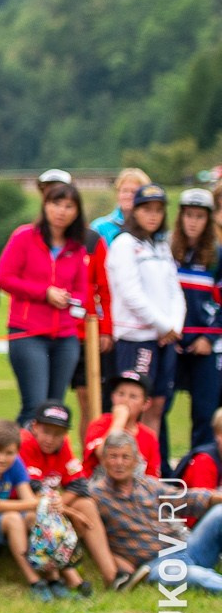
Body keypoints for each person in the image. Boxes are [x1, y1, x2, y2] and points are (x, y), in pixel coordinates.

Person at [0, 180, 98, 424]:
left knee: (55, 410)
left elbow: (83, 292)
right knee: (34, 407)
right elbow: (4, 278)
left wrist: (69, 300)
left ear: (77, 212)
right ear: (45, 206)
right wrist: (45, 293)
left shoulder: (77, 247)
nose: (61, 211)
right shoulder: (24, 237)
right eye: (56, 203)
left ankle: (49, 462)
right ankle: (21, 461)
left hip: (65, 336)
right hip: (28, 332)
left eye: (68, 206)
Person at [87, 430, 220, 593]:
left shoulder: (148, 484)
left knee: (219, 512)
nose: (119, 463)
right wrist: (116, 562)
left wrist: (217, 498)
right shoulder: (95, 496)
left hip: (186, 548)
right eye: (113, 457)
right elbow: (88, 536)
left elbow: (184, 498)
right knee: (198, 576)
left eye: (125, 457)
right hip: (155, 564)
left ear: (136, 461)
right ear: (104, 461)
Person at [106, 183, 183, 453]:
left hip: (165, 339)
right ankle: (124, 467)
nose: (153, 215)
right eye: (147, 209)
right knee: (131, 407)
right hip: (136, 337)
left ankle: (150, 470)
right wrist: (164, 325)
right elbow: (130, 293)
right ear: (135, 211)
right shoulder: (124, 244)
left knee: (157, 405)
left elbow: (175, 288)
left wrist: (175, 326)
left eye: (159, 210)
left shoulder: (161, 245)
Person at [0, 419, 84, 599]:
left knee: (34, 516)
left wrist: (45, 505)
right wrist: (41, 502)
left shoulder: (15, 463)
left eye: (9, 453)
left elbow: (29, 500)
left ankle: (54, 578)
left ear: (16, 452)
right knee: (15, 518)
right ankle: (35, 582)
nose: (2, 458)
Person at [19, 401, 119, 586]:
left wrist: (60, 504)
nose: (51, 439)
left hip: (51, 503)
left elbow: (80, 485)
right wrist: (58, 505)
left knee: (86, 505)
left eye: (57, 434)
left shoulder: (63, 444)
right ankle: (63, 578)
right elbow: (32, 488)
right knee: (44, 515)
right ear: (34, 427)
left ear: (65, 434)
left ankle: (111, 575)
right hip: (25, 507)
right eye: (46, 432)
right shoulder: (25, 442)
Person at [169, 188, 221, 457]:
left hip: (204, 344)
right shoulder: (167, 250)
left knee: (204, 410)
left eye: (199, 216)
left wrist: (209, 338)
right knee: (160, 405)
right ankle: (164, 471)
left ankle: (199, 467)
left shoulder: (217, 255)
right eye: (188, 215)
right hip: (171, 341)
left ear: (208, 219)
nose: (193, 222)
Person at [83, 372, 163, 477]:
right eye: (121, 394)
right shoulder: (100, 424)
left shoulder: (149, 437)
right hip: (97, 489)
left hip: (135, 490)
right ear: (113, 397)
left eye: (133, 396)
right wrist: (119, 420)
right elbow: (103, 454)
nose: (125, 400)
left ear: (145, 404)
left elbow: (152, 478)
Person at [91, 167, 150, 245]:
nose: (129, 195)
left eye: (134, 192)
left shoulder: (151, 227)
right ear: (117, 193)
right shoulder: (99, 227)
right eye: (125, 191)